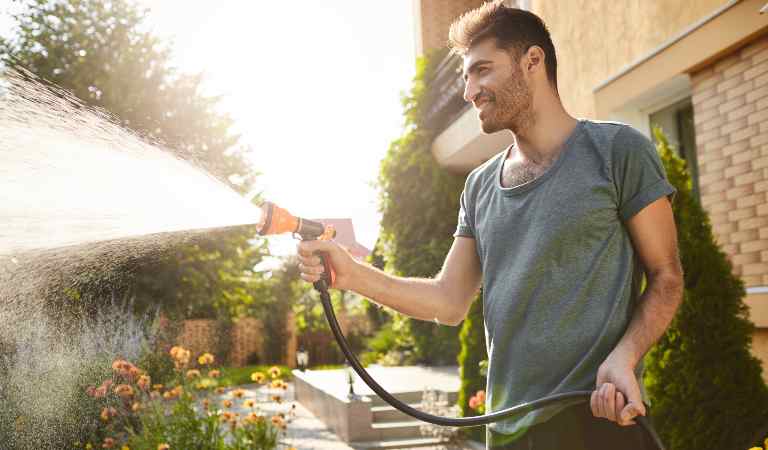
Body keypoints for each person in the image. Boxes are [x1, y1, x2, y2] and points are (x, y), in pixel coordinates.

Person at [297, 2, 683, 449]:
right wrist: (351, 274)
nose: (469, 91)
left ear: (532, 61)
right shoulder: (479, 187)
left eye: (481, 71)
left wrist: (625, 357)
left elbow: (667, 276)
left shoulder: (618, 151)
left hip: (596, 419)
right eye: (465, 77)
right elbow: (448, 301)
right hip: (506, 430)